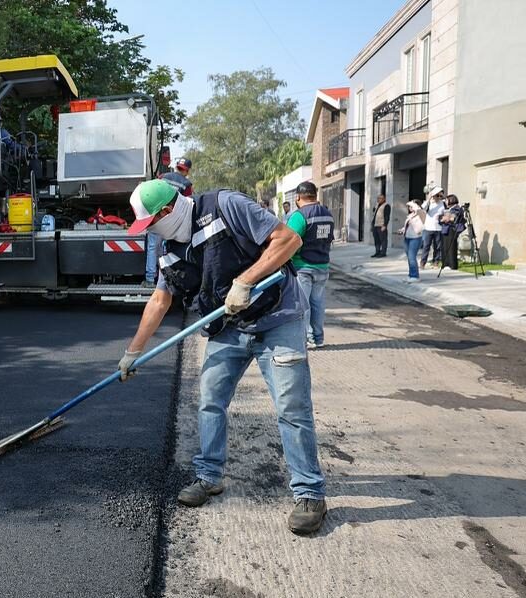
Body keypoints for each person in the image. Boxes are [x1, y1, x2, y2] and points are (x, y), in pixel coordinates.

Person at [116, 179, 326, 535]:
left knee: (292, 408)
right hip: (229, 327)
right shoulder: (169, 250)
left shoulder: (226, 206)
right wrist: (132, 353)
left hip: (278, 317)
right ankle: (209, 475)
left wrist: (246, 280)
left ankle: (309, 493)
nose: (150, 233)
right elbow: (159, 300)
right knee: (210, 401)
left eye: (149, 224)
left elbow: (289, 239)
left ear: (166, 211)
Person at [286, 182, 334, 349]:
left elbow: (288, 242)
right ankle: (318, 338)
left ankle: (307, 338)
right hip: (323, 265)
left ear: (298, 197)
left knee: (303, 304)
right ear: (315, 195)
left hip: (303, 267)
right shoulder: (328, 214)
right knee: (318, 303)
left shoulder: (300, 216)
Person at [399, 200, 426, 282]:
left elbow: (422, 222)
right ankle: (411, 275)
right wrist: (403, 230)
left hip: (416, 237)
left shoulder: (421, 213)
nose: (410, 208)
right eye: (409, 207)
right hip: (407, 237)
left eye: (411, 206)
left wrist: (414, 205)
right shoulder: (410, 215)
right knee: (409, 257)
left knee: (412, 257)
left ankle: (415, 276)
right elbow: (408, 225)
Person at [419, 187, 446, 269]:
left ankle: (436, 262)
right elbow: (422, 209)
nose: (439, 197)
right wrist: (429, 198)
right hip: (428, 228)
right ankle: (423, 263)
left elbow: (446, 212)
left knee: (437, 247)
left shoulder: (443, 203)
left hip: (438, 228)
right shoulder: (429, 203)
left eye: (440, 196)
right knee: (426, 246)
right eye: (437, 195)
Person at [440, 194, 466, 271]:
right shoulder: (448, 209)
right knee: (445, 246)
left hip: (452, 229)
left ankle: (452, 264)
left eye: (447, 200)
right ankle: (445, 263)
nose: (446, 202)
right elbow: (442, 218)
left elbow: (452, 218)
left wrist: (446, 218)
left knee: (451, 247)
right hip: (445, 228)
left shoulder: (457, 208)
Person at [370, 193, 391, 258]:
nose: (379, 199)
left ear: (384, 199)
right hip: (375, 225)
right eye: (378, 198)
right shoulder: (377, 205)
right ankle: (377, 251)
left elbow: (387, 216)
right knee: (376, 239)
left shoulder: (386, 206)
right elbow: (374, 215)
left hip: (381, 225)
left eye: (380, 198)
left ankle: (383, 253)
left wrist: (385, 225)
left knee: (383, 240)